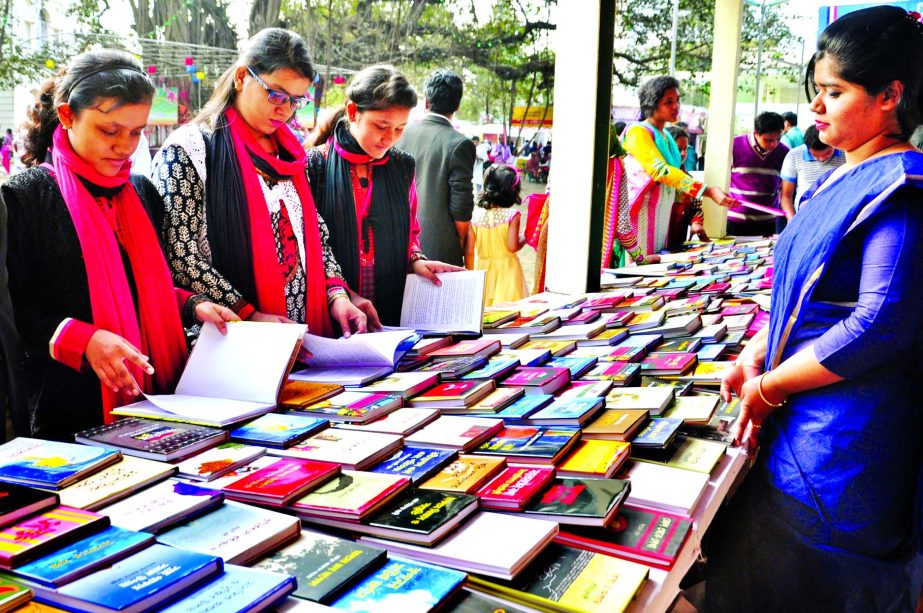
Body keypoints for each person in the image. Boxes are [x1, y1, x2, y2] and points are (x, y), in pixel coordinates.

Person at [709, 7, 923, 610]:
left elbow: (879, 324)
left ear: (890, 95)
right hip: (799, 418)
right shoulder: (842, 176)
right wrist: (754, 351)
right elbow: (801, 289)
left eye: (833, 92)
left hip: (845, 439)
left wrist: (771, 385)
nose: (816, 108)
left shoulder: (901, 188)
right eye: (817, 92)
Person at [2, 49, 237, 440]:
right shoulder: (25, 198)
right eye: (109, 131)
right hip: (71, 410)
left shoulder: (142, 193)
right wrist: (83, 339)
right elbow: (15, 313)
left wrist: (190, 303)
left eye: (136, 132)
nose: (125, 146)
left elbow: (144, 286)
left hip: (159, 400)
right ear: (67, 116)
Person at [152, 29, 368, 337]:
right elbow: (181, 256)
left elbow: (316, 237)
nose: (284, 109)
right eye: (275, 94)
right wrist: (248, 313)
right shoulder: (190, 150)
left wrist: (337, 295)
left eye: (296, 100)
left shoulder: (290, 155)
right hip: (232, 339)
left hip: (306, 337)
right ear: (241, 77)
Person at [304, 65, 462, 326]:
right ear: (353, 112)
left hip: (392, 308)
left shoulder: (402, 167)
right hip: (333, 308)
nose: (389, 138)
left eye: (400, 129)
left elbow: (411, 232)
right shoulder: (315, 165)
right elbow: (310, 246)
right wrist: (340, 294)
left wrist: (416, 260)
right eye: (381, 126)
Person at [621, 76, 733, 264]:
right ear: (651, 103)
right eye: (669, 102)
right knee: (639, 268)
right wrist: (708, 191)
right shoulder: (637, 132)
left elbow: (679, 176)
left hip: (661, 214)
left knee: (657, 265)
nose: (676, 106)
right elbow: (661, 171)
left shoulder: (667, 137)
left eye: (677, 100)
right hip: (640, 213)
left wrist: (696, 213)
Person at [396, 69, 476, 267]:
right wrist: (460, 241)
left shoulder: (400, 133)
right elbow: (461, 207)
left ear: (426, 102)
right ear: (457, 105)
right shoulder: (459, 144)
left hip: (397, 242)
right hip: (440, 248)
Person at [466, 164, 528, 306]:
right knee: (510, 314)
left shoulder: (474, 216)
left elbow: (469, 250)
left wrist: (471, 276)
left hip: (483, 271)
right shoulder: (512, 215)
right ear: (511, 192)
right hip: (508, 271)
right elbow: (512, 246)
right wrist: (525, 237)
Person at [727, 111, 789, 236]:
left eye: (778, 139)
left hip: (767, 221)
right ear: (756, 133)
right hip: (736, 219)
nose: (774, 144)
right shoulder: (734, 146)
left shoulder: (784, 152)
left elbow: (785, 186)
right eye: (768, 140)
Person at [779, 124, 845, 220]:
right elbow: (786, 196)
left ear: (832, 144)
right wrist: (792, 220)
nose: (822, 158)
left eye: (827, 153)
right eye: (816, 155)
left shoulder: (846, 155)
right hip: (803, 218)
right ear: (807, 147)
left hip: (836, 218)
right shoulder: (794, 155)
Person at [664, 125, 708, 249]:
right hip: (653, 246)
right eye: (679, 149)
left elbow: (695, 208)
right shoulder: (655, 179)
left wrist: (696, 223)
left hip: (677, 246)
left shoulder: (688, 180)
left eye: (685, 149)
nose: (683, 154)